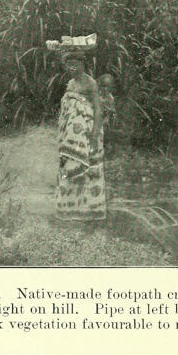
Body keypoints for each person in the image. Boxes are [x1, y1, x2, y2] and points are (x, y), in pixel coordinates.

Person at [47, 36, 106, 223]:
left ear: (83, 64)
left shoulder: (90, 83)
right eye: (69, 66)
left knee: (88, 169)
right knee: (69, 168)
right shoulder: (71, 84)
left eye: (75, 65)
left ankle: (88, 210)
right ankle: (69, 210)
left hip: (87, 133)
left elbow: (97, 109)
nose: (72, 69)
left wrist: (95, 133)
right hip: (71, 136)